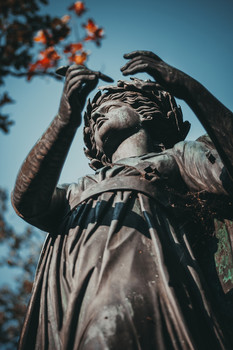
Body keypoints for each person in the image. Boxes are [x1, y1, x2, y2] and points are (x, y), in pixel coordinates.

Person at [12, 51, 233, 349]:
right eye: (93, 117)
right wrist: (65, 121)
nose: (98, 115)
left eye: (109, 105)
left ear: (143, 109)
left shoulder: (177, 157)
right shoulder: (78, 189)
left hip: (148, 285)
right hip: (74, 299)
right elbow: (26, 202)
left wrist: (188, 88)